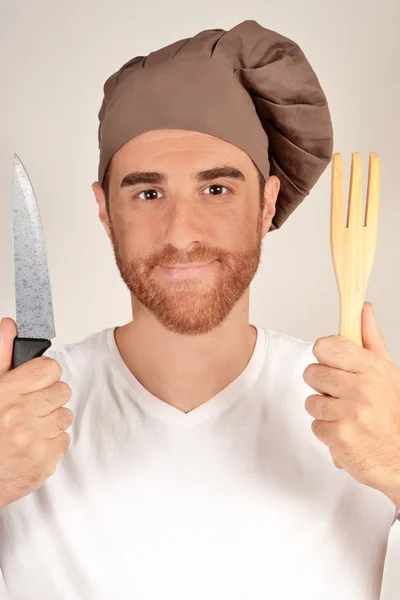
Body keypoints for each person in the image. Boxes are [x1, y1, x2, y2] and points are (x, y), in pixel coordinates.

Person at [0, 19, 397, 600]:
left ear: (267, 204)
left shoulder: (363, 415)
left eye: (216, 189)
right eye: (148, 193)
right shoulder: (17, 419)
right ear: (105, 211)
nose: (182, 234)